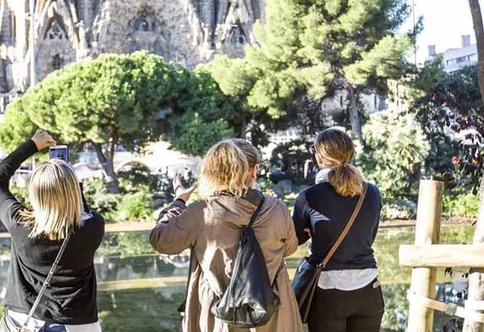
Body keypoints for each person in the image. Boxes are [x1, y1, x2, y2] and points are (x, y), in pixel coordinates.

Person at [151, 139, 302, 332]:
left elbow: (161, 241)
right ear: (253, 171)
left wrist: (179, 202)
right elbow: (289, 249)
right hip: (272, 311)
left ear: (211, 174)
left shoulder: (201, 212)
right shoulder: (277, 209)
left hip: (220, 314)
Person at [0, 130, 105, 332]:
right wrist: (71, 185)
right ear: (74, 191)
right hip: (78, 324)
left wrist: (32, 144)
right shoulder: (93, 226)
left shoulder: (20, 224)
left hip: (24, 321)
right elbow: (80, 211)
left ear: (35, 192)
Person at [292, 128, 384, 332]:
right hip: (368, 289)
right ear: (350, 154)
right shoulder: (373, 193)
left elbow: (293, 240)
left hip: (328, 291)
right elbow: (369, 235)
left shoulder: (309, 197)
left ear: (319, 156)